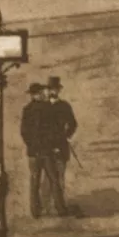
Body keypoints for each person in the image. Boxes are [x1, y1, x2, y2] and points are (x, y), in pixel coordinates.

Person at [20, 82, 58, 218]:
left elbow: (24, 132)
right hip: (43, 151)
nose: (42, 94)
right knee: (52, 179)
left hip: (36, 152)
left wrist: (32, 146)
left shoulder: (29, 109)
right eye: (40, 92)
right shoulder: (45, 108)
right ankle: (55, 208)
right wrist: (48, 144)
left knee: (38, 181)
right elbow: (25, 132)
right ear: (35, 94)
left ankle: (37, 211)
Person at [43, 76, 78, 215]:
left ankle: (59, 206)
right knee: (47, 179)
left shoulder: (65, 106)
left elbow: (73, 124)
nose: (53, 91)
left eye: (55, 89)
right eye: (50, 89)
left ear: (59, 90)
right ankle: (47, 207)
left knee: (60, 176)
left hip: (61, 147)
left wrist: (66, 136)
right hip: (45, 148)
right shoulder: (43, 106)